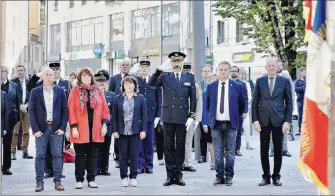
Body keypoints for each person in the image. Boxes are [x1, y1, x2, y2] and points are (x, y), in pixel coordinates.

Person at [149, 52, 196, 186]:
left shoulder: (189, 77)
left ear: (182, 63)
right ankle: (170, 175)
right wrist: (159, 69)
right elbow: (152, 83)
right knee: (168, 146)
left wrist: (192, 115)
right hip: (168, 115)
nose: (176, 64)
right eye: (174, 62)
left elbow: (193, 98)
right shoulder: (165, 76)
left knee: (180, 146)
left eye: (179, 62)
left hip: (182, 116)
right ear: (170, 63)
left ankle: (179, 175)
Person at [203, 61, 245, 186]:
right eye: (220, 69)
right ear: (217, 71)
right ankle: (219, 176)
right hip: (216, 124)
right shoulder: (211, 86)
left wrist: (235, 116)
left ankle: (229, 176)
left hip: (231, 124)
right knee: (218, 151)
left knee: (230, 151)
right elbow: (208, 104)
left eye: (225, 69)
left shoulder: (237, 86)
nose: (223, 72)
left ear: (229, 71)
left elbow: (242, 104)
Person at [252, 58, 293, 187]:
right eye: (269, 66)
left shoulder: (284, 81)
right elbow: (254, 102)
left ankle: (276, 176)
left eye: (273, 65)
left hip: (279, 120)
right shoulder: (260, 81)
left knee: (278, 149)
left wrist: (287, 121)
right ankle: (266, 176)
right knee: (263, 150)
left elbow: (289, 103)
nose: (271, 68)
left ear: (277, 67)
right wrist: (255, 120)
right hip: (263, 120)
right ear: (266, 67)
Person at [68, 68, 110, 189]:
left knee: (93, 154)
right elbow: (71, 110)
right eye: (84, 76)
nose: (86, 78)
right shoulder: (75, 91)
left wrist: (104, 124)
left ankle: (91, 178)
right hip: (80, 128)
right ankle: (79, 179)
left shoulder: (98, 91)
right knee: (80, 154)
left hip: (95, 128)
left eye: (88, 76)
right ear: (79, 77)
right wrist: (74, 127)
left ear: (91, 77)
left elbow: (105, 110)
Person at [28, 67, 68, 192]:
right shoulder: (36, 91)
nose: (50, 76)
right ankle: (39, 182)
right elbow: (32, 111)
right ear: (42, 77)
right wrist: (35, 129)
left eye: (52, 74)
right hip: (41, 128)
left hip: (56, 129)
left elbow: (64, 110)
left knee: (57, 155)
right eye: (47, 74)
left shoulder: (60, 91)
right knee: (40, 155)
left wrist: (63, 127)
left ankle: (58, 181)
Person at [112, 75, 147, 187]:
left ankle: (133, 177)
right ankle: (123, 177)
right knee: (123, 156)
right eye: (126, 83)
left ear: (134, 85)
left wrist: (143, 130)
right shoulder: (117, 98)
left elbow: (144, 115)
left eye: (130, 83)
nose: (128, 85)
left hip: (135, 131)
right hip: (122, 131)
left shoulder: (140, 98)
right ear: (123, 86)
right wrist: (115, 130)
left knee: (134, 155)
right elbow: (115, 116)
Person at [136, 60, 161, 174]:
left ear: (150, 68)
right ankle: (140, 165)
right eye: (142, 67)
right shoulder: (136, 81)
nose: (144, 69)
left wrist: (158, 115)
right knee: (140, 141)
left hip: (151, 115)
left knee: (149, 142)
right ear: (139, 69)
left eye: (146, 67)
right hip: (139, 116)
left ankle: (149, 165)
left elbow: (159, 98)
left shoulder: (154, 81)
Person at [108, 59, 131, 168]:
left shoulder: (133, 77)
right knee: (118, 134)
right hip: (117, 109)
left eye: (127, 65)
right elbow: (110, 93)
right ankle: (118, 157)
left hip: (131, 110)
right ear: (119, 67)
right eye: (123, 65)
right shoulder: (114, 78)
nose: (125, 66)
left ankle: (129, 158)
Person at [182, 62, 202, 172]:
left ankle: (187, 163)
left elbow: (199, 103)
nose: (187, 73)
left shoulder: (196, 84)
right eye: (185, 71)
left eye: (188, 71)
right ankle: (178, 162)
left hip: (190, 116)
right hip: (178, 117)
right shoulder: (178, 82)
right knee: (177, 141)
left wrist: (197, 118)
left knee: (188, 141)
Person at [94, 69, 115, 176]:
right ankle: (96, 168)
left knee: (106, 147)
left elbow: (114, 112)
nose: (101, 83)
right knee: (97, 147)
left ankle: (105, 168)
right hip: (96, 125)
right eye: (99, 81)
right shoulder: (92, 94)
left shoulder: (111, 95)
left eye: (103, 81)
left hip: (108, 125)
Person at [11, 65, 34, 160]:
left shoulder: (29, 82)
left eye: (21, 70)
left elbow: (32, 95)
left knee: (26, 132)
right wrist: (20, 105)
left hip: (27, 109)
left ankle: (25, 152)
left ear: (25, 71)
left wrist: (26, 105)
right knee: (15, 131)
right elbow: (12, 96)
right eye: (18, 70)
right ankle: (13, 152)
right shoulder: (13, 82)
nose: (20, 72)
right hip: (17, 108)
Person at [1, 65, 20, 175]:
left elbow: (17, 102)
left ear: (7, 73)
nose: (1, 73)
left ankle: (6, 167)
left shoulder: (14, 85)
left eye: (2, 71)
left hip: (10, 119)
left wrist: (17, 118)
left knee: (7, 144)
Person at [230, 66, 248, 156]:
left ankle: (237, 148)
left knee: (238, 130)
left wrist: (245, 111)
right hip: (228, 111)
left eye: (235, 71)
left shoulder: (242, 84)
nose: (233, 73)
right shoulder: (226, 83)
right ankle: (229, 149)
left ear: (238, 73)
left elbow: (245, 98)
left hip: (239, 111)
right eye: (232, 71)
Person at [203, 73, 218, 170]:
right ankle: (213, 161)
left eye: (215, 79)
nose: (213, 80)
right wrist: (204, 123)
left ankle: (218, 161)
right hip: (209, 121)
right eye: (212, 78)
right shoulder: (205, 92)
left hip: (220, 121)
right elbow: (204, 109)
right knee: (210, 142)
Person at [198, 65, 212, 164]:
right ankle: (203, 155)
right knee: (203, 136)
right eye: (204, 71)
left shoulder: (215, 82)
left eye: (208, 71)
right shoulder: (199, 84)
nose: (206, 72)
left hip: (214, 115)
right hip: (202, 113)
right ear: (201, 73)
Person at [240, 69, 254, 150]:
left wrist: (245, 106)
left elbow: (249, 97)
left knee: (246, 126)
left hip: (245, 108)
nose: (239, 75)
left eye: (241, 74)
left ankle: (247, 143)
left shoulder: (246, 84)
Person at [295, 68, 306, 136]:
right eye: (304, 72)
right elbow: (296, 89)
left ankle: (305, 130)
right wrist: (303, 88)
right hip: (300, 101)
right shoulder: (297, 81)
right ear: (301, 73)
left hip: (306, 101)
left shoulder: (307, 81)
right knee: (300, 116)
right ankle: (300, 130)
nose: (305, 74)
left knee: (306, 116)